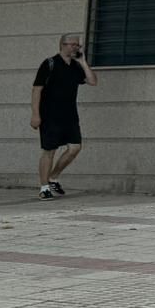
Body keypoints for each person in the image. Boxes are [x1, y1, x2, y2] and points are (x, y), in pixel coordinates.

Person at [31, 33, 95, 200]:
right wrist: (35, 114)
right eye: (73, 44)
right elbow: (37, 90)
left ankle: (53, 178)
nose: (75, 48)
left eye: (77, 45)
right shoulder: (49, 64)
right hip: (50, 115)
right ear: (63, 45)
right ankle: (44, 187)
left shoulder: (75, 66)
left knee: (75, 148)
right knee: (49, 151)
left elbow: (93, 81)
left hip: (70, 115)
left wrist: (83, 61)